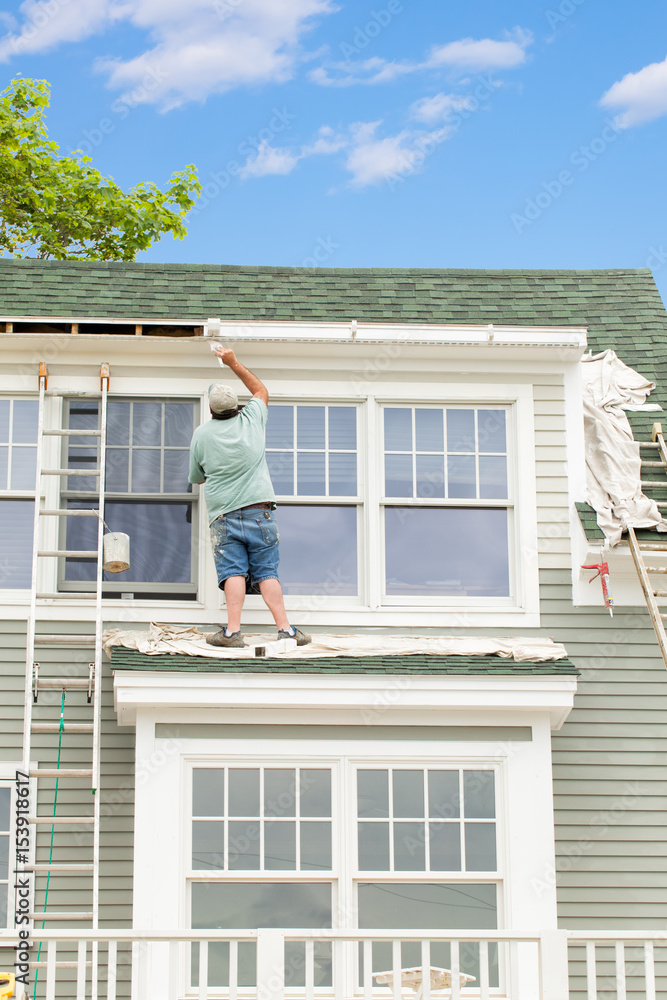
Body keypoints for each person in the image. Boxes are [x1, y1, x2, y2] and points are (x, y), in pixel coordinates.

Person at [189, 346, 311, 648]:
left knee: (233, 571)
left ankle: (232, 632)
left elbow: (198, 477)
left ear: (211, 410)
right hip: (260, 512)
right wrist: (232, 362)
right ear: (237, 406)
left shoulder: (202, 435)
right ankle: (286, 630)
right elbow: (260, 389)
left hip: (224, 516)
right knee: (267, 571)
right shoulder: (252, 419)